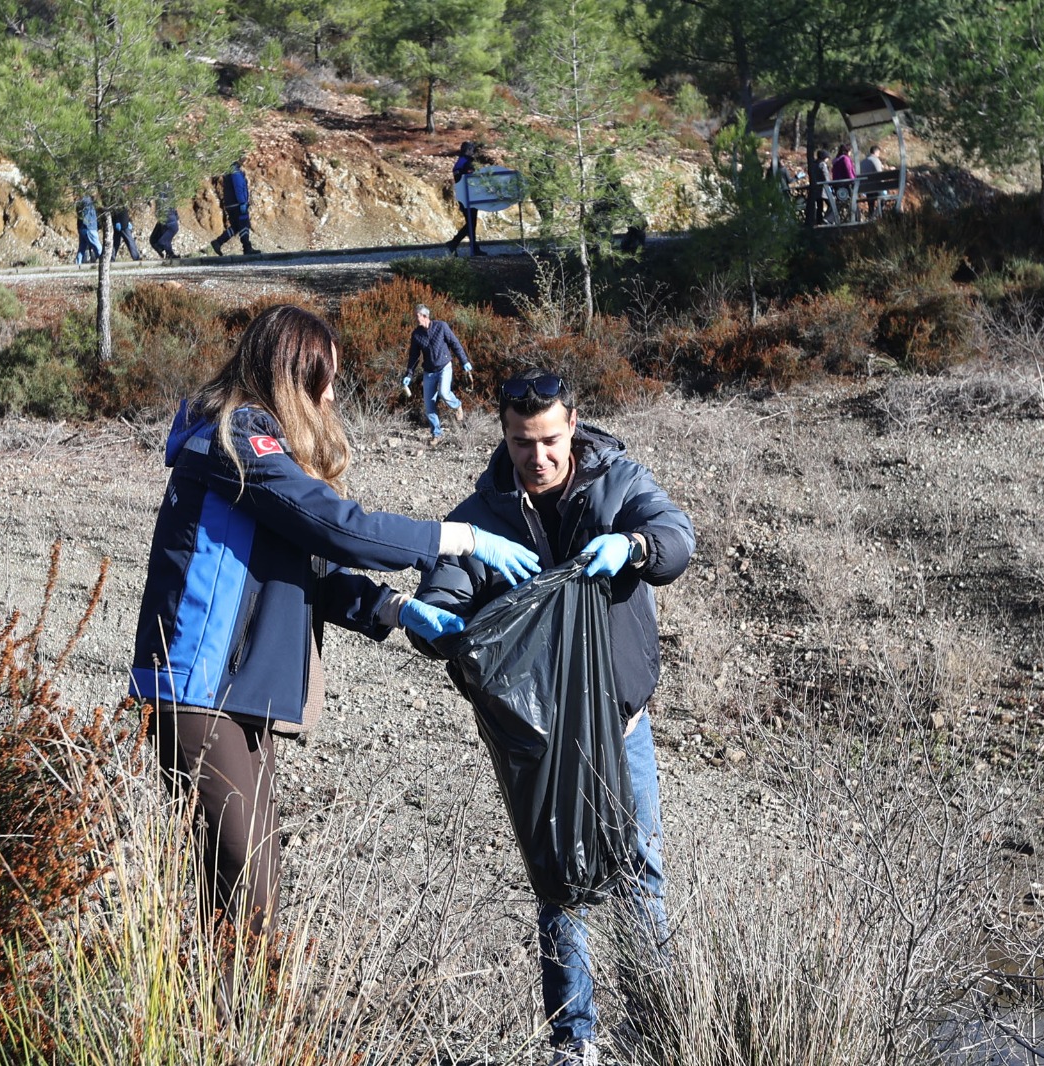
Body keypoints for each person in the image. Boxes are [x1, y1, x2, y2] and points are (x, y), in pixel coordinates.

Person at [128, 304, 540, 941]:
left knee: (245, 886)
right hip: (196, 692)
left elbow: (311, 567)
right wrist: (459, 538)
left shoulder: (260, 451)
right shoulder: (235, 441)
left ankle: (227, 1024)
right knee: (243, 885)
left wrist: (397, 609)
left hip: (237, 698)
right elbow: (338, 527)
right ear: (292, 375)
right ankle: (225, 1027)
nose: (329, 396)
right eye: (323, 380)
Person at [411, 367, 695, 1066]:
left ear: (572, 425)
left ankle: (656, 1027)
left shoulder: (618, 482)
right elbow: (444, 588)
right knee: (558, 882)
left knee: (639, 872)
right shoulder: (482, 514)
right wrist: (437, 620)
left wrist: (633, 548)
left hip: (621, 723)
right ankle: (575, 1041)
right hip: (540, 740)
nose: (534, 457)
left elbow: (675, 537)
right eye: (518, 443)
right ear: (503, 437)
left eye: (545, 440)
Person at [401, 304, 472, 441]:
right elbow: (414, 357)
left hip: (445, 367)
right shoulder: (416, 334)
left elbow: (455, 344)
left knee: (444, 392)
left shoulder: (441, 326)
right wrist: (408, 375)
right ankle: (436, 434)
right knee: (429, 405)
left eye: (417, 316)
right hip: (429, 372)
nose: (415, 319)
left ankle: (457, 405)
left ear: (425, 316)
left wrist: (465, 361)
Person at [445, 141, 486, 257]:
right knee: (471, 223)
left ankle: (472, 247)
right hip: (469, 196)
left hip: (462, 196)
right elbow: (472, 180)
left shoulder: (459, 162)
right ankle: (455, 242)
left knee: (471, 223)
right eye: (472, 150)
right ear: (468, 150)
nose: (473, 152)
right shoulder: (466, 163)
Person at [211, 159, 259, 256]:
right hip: (237, 203)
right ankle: (247, 248)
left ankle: (218, 242)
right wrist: (242, 202)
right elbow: (238, 187)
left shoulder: (229, 171)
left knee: (236, 227)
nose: (244, 160)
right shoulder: (235, 171)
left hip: (230, 204)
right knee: (243, 224)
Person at [150, 186, 180, 259]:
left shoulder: (164, 187)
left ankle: (169, 253)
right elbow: (169, 203)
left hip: (166, 216)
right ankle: (167, 252)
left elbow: (170, 203)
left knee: (163, 237)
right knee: (166, 235)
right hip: (167, 216)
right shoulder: (165, 188)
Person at [830, 143, 856, 222]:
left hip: (837, 184)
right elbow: (849, 171)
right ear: (848, 151)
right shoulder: (845, 159)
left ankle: (831, 218)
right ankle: (853, 219)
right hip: (845, 184)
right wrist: (853, 180)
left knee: (840, 203)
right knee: (851, 202)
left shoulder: (837, 160)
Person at [858, 144, 884, 219]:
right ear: (876, 152)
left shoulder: (862, 162)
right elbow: (880, 175)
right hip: (876, 187)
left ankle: (871, 215)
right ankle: (875, 215)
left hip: (866, 188)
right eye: (879, 153)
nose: (879, 155)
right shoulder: (876, 160)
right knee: (883, 200)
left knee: (871, 202)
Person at [75, 197, 103, 264]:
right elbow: (87, 216)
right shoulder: (88, 202)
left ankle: (77, 264)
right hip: (89, 228)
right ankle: (104, 261)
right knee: (98, 246)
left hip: (82, 228)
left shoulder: (80, 201)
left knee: (82, 248)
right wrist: (88, 224)